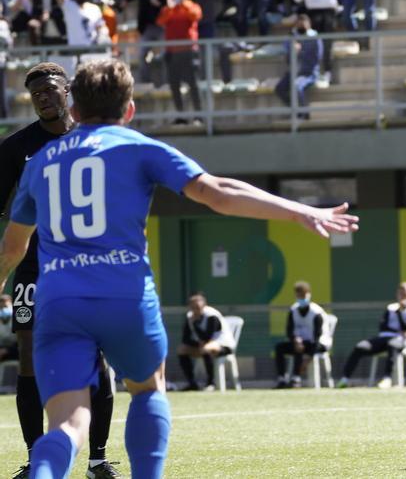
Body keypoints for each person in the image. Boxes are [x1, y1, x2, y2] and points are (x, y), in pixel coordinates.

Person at [0, 59, 356, 479]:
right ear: (129, 109)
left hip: (60, 300)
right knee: (149, 391)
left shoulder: (38, 164)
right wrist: (297, 211)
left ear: (74, 109)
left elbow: (12, 247)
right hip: (124, 295)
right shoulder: (137, 148)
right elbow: (218, 192)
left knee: (65, 424)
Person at [0, 63, 122, 479]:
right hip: (33, 271)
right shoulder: (15, 148)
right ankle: (37, 460)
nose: (44, 99)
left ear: (67, 90)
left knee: (95, 357)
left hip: (87, 267)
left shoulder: (95, 139)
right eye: (36, 95)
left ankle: (96, 460)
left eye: (50, 90)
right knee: (29, 360)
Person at [337, 282, 406, 388]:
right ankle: (345, 379)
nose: (403, 296)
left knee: (393, 344)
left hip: (402, 341)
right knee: (360, 346)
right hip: (384, 338)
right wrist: (398, 329)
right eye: (401, 293)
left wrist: (400, 312)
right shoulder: (390, 308)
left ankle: (387, 378)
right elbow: (382, 326)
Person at [293, 0, 354, 79]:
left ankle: (312, 71)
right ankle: (326, 71)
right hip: (328, 14)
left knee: (312, 44)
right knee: (327, 44)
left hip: (311, 14)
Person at [273, 281, 332, 388]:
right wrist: (295, 340)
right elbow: (289, 331)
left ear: (308, 294)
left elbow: (317, 337)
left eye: (303, 295)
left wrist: (308, 358)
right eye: (298, 295)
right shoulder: (293, 310)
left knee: (301, 347)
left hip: (318, 344)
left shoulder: (316, 313)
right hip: (301, 344)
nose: (301, 298)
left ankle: (296, 378)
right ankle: (282, 379)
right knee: (280, 347)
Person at [156, 0, 204, 115]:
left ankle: (199, 115)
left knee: (193, 84)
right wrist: (171, 7)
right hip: (172, 52)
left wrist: (183, 3)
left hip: (189, 51)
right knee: (174, 84)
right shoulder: (169, 9)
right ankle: (180, 114)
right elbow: (161, 22)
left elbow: (195, 16)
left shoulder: (192, 6)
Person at [184, 0, 233, 84]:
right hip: (191, 26)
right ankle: (195, 80)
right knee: (192, 54)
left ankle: (205, 79)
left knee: (207, 53)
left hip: (207, 24)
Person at [176, 291, 237, 391]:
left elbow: (207, 337)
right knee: (182, 350)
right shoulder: (190, 317)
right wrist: (193, 343)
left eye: (198, 307)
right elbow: (185, 338)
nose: (195, 310)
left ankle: (211, 383)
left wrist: (195, 324)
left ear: (204, 306)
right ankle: (192, 383)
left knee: (206, 348)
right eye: (193, 307)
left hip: (223, 345)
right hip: (202, 345)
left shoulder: (212, 316)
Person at [275, 13, 323, 114]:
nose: (301, 26)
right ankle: (296, 110)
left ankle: (304, 113)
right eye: (299, 24)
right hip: (293, 71)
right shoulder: (292, 37)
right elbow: (287, 55)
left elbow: (317, 57)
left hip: (308, 73)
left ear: (309, 24)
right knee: (279, 89)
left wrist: (301, 51)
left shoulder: (315, 38)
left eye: (303, 24)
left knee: (297, 86)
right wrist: (292, 50)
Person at [0, 295, 15, 363]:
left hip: (15, 358)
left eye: (5, 306)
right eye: (1, 307)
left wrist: (8, 350)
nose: (3, 309)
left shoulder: (17, 319)